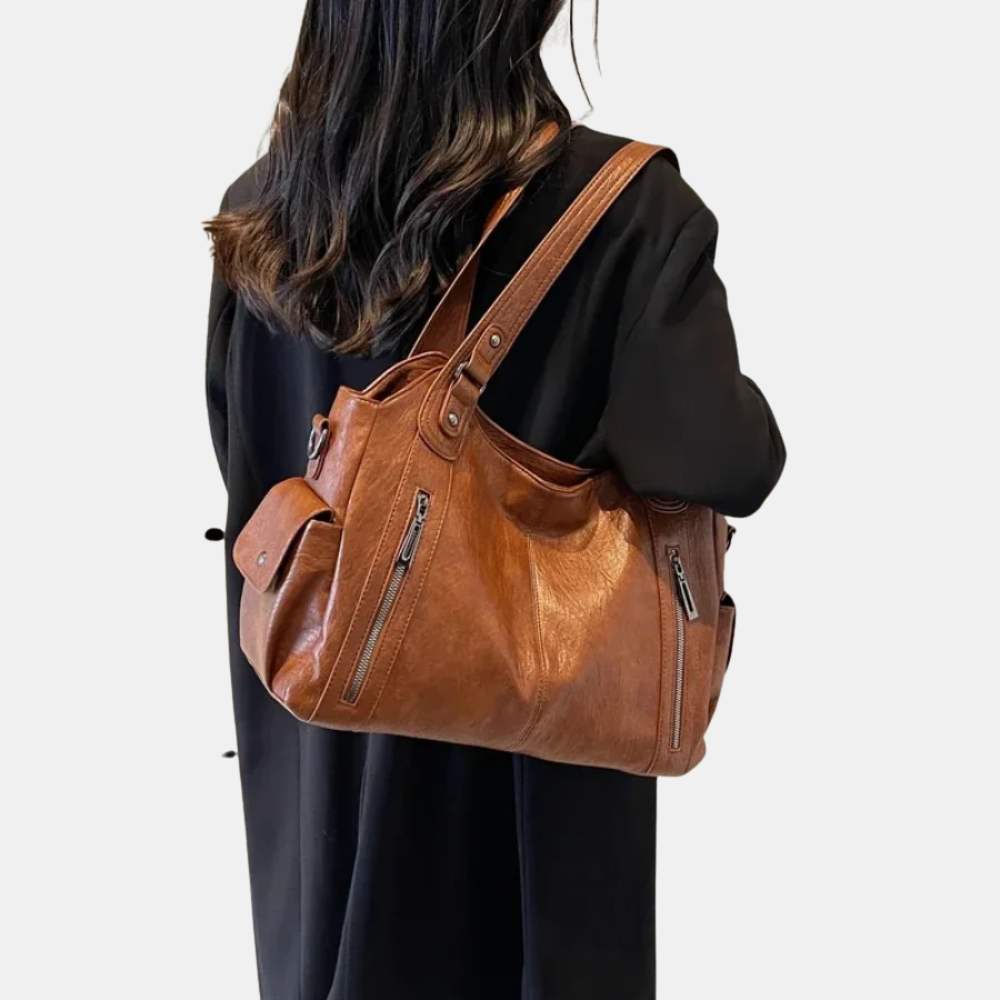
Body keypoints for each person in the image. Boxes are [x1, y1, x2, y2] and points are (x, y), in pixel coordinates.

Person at [205, 2, 785, 997]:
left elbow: (247, 458)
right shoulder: (624, 212)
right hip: (535, 780)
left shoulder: (264, 212)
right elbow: (724, 462)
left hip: (313, 762)